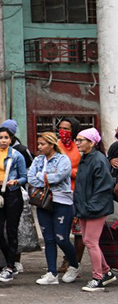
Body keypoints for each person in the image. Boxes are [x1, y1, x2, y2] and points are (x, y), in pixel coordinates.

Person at [26, 132, 77, 285]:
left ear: (52, 144)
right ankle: (51, 273)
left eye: (42, 144)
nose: (39, 147)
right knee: (48, 238)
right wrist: (47, 177)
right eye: (39, 144)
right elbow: (30, 178)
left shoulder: (63, 160)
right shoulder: (38, 159)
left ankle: (74, 265)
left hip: (62, 202)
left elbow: (60, 176)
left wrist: (42, 176)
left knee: (61, 238)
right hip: (43, 202)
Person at [73, 128, 117, 291]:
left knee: (91, 242)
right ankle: (106, 273)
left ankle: (98, 278)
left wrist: (91, 207)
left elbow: (104, 187)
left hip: (95, 208)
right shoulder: (86, 158)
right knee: (88, 240)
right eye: (76, 139)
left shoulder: (98, 160)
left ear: (91, 143)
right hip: (86, 207)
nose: (77, 142)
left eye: (81, 140)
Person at [0, 126, 28, 283]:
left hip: (12, 193)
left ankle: (10, 267)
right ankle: (9, 260)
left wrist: (16, 181)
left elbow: (25, 176)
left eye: (6, 138)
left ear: (11, 139)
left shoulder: (17, 156)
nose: (3, 140)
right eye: (1, 138)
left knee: (12, 230)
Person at [58, 117, 85, 279]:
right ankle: (68, 257)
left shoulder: (80, 146)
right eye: (61, 128)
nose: (63, 132)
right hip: (59, 194)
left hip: (77, 193)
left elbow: (83, 171)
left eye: (67, 129)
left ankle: (76, 263)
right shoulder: (56, 145)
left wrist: (69, 172)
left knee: (78, 231)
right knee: (60, 231)